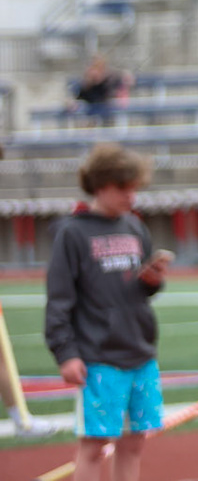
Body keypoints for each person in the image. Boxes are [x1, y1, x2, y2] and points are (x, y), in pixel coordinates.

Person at [44, 144, 172, 481]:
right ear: (101, 184)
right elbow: (59, 299)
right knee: (94, 446)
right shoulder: (72, 233)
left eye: (134, 188)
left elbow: (139, 288)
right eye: (123, 188)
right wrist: (65, 353)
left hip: (140, 353)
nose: (132, 196)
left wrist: (152, 280)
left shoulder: (134, 227)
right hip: (99, 357)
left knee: (134, 441)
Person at [70, 56, 124, 124]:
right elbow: (79, 97)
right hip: (91, 115)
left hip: (106, 114)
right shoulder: (86, 84)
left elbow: (109, 94)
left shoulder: (109, 81)